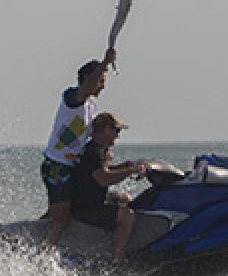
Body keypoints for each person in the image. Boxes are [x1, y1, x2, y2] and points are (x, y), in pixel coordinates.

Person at [39, 46, 117, 246]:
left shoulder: (92, 107)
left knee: (62, 211)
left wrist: (105, 155)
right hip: (57, 167)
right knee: (61, 219)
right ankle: (44, 257)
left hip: (73, 167)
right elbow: (87, 88)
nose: (102, 86)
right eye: (101, 81)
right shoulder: (72, 98)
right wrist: (105, 63)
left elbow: (92, 137)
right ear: (89, 79)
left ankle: (32, 236)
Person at [71, 112, 149, 263]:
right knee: (127, 215)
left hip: (94, 199)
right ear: (106, 129)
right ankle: (118, 259)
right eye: (117, 131)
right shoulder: (92, 152)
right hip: (85, 208)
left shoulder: (99, 150)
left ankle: (113, 238)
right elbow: (103, 179)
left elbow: (103, 171)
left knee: (124, 198)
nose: (118, 136)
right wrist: (131, 171)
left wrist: (124, 166)